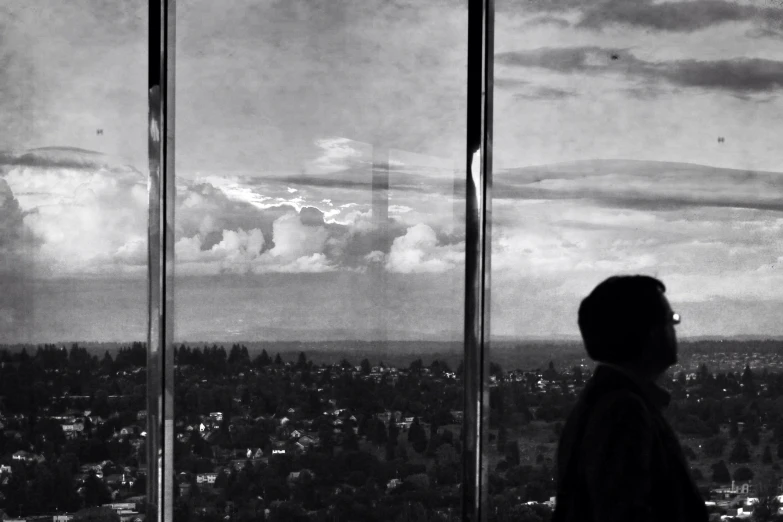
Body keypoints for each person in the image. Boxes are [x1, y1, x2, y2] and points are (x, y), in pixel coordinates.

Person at [552, 275, 709, 522]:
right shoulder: (622, 410)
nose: (675, 328)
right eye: (671, 319)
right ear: (650, 332)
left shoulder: (606, 400)